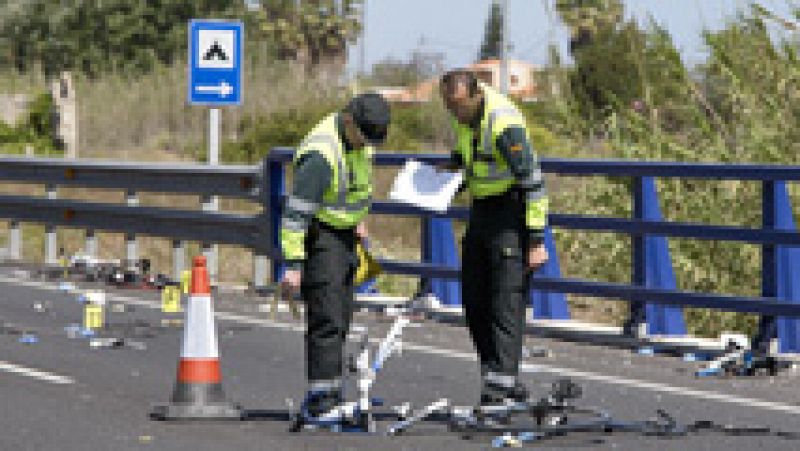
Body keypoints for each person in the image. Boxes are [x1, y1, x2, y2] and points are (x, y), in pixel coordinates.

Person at [438, 69, 549, 407]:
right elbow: (468, 156)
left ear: (476, 95)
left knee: (505, 302)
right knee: (475, 299)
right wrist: (444, 176)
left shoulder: (503, 124)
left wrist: (535, 241)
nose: (456, 114)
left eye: (459, 106)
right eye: (449, 107)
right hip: (482, 211)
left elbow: (533, 182)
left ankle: (500, 391)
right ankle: (497, 378)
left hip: (510, 214)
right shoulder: (464, 117)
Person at [279, 92, 391, 419]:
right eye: (364, 136)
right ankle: (320, 399)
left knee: (341, 316)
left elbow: (354, 188)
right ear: (348, 121)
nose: (367, 144)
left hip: (345, 235)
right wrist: (294, 266)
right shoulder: (320, 154)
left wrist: (358, 222)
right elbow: (296, 215)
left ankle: (330, 390)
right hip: (321, 235)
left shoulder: (359, 143)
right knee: (327, 317)